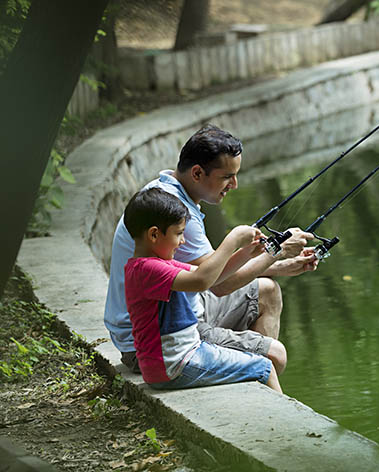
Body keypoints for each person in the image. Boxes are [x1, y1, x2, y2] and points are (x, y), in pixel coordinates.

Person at [104, 124, 317, 376]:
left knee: (267, 291)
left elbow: (213, 273)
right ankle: (254, 382)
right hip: (156, 338)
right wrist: (277, 251)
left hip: (165, 314)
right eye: (227, 176)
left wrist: (277, 265)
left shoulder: (161, 191)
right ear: (197, 173)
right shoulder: (176, 215)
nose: (234, 184)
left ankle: (244, 371)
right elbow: (217, 284)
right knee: (273, 356)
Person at [122, 186, 282, 391]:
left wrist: (247, 253)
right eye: (179, 233)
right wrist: (232, 239)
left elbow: (213, 277)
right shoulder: (147, 269)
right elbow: (201, 280)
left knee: (259, 364)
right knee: (264, 367)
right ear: (154, 234)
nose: (183, 241)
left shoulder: (156, 264)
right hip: (175, 365)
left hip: (179, 359)